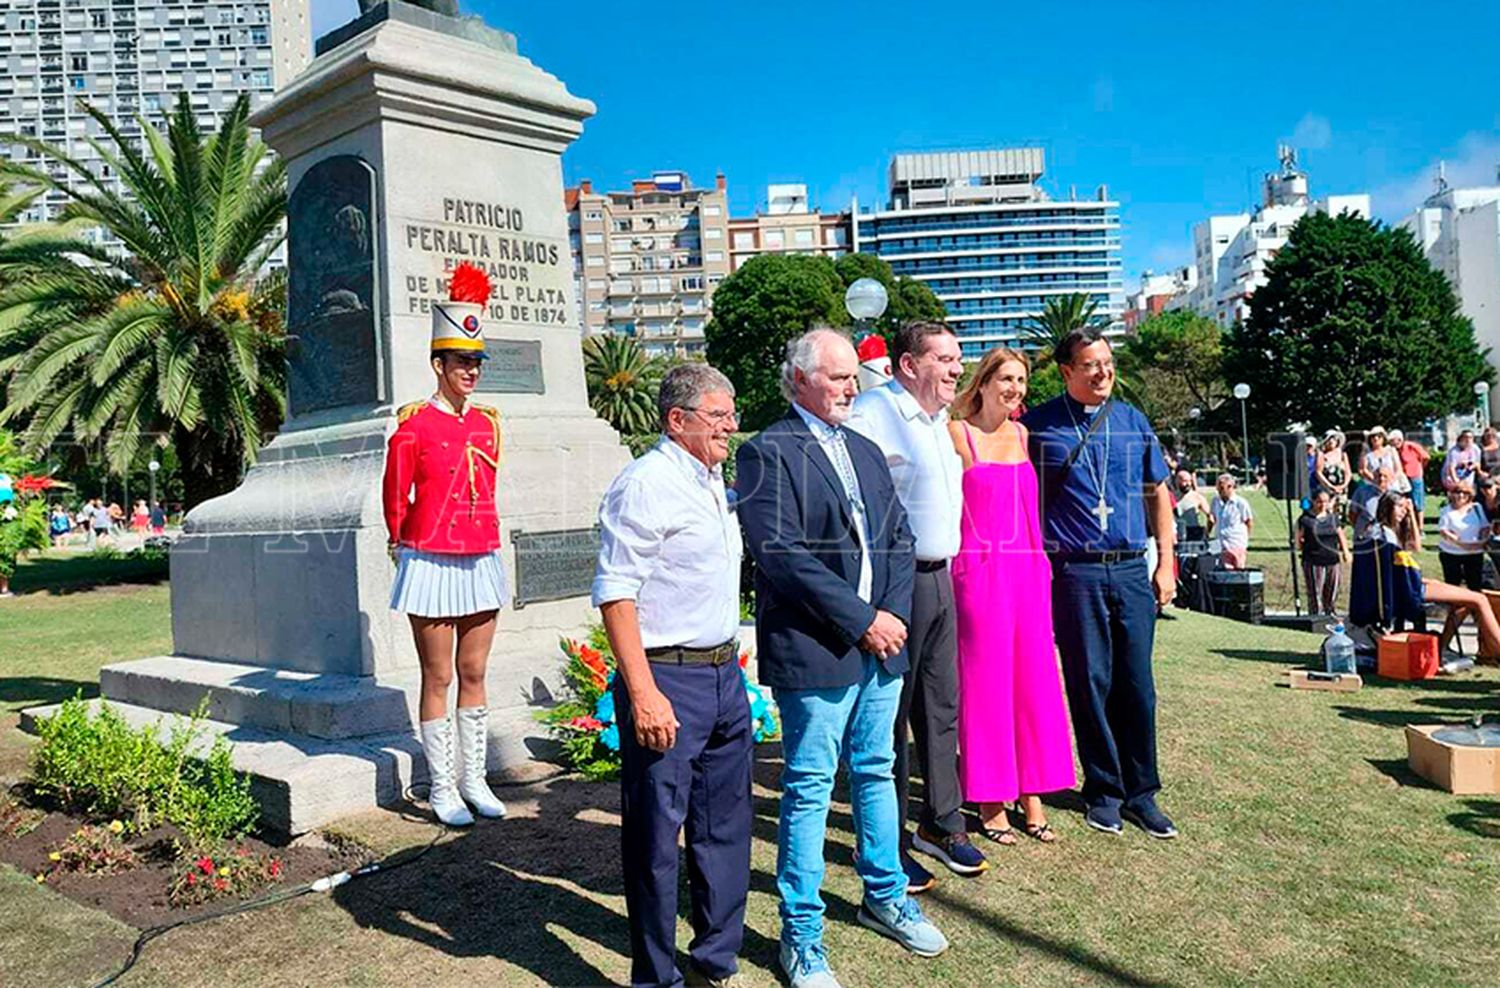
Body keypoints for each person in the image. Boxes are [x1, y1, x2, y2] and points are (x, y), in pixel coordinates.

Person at [737, 328, 948, 988]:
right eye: (836, 378)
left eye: (854, 376)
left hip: (883, 646)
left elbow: (899, 534)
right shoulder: (766, 452)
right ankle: (802, 935)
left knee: (877, 771)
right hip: (818, 649)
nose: (851, 387)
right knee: (808, 787)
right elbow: (780, 555)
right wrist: (863, 622)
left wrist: (893, 618)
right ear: (799, 379)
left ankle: (885, 896)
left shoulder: (863, 447)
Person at [592, 364, 751, 988]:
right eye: (719, 415)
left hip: (722, 678)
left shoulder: (710, 478)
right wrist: (644, 693)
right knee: (659, 844)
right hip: (667, 681)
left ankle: (716, 957)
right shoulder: (645, 484)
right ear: (677, 419)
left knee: (726, 828)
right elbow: (616, 593)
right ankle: (656, 977)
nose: (731, 426)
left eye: (731, 414)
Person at [1021, 326, 1178, 840]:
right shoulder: (1037, 426)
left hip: (1132, 568)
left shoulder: (1133, 420)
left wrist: (1166, 563)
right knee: (1089, 682)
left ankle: (1142, 793)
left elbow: (1158, 495)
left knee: (1137, 684)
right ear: (1066, 371)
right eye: (1089, 364)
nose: (1103, 371)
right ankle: (1104, 791)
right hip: (1075, 572)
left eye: (1107, 361)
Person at [847, 321, 984, 891]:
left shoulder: (937, 422)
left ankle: (941, 821)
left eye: (958, 358)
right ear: (907, 365)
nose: (957, 369)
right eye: (944, 359)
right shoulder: (874, 414)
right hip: (896, 585)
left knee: (941, 706)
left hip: (941, 577)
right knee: (890, 719)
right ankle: (890, 840)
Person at [382, 262, 510, 829]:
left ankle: (475, 779)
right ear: (439, 364)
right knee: (438, 676)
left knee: (476, 671)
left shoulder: (489, 424)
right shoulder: (413, 425)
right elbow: (395, 494)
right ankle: (440, 788)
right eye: (461, 362)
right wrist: (402, 541)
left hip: (480, 553)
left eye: (476, 362)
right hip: (430, 557)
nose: (471, 372)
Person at [945, 346, 1076, 846]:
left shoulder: (1022, 434)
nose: (1016, 389)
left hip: (1026, 574)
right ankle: (990, 799)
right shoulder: (958, 435)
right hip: (978, 575)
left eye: (1021, 381)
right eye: (1006, 379)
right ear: (982, 382)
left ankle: (1033, 793)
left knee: (1034, 683)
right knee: (986, 688)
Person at [1355, 492, 1500, 657]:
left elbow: (1415, 546)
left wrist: (1411, 515)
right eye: (1399, 507)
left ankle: (1440, 648)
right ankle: (1496, 650)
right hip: (1408, 589)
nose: (1403, 511)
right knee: (1479, 599)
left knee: (1464, 601)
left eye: (1405, 507)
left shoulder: (1382, 532)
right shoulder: (1384, 535)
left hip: (1406, 583)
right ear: (1387, 506)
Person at [1296, 489, 1348, 615]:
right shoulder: (1305, 519)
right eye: (1319, 502)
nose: (1322, 505)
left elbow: (1340, 535)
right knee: (1315, 592)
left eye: (1325, 502)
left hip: (1332, 559)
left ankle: (1330, 614)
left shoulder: (1333, 518)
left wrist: (1346, 551)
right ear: (1314, 502)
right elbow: (1298, 540)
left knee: (1332, 590)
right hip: (1313, 560)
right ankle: (1315, 615)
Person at [1437, 482, 1488, 592]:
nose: (1461, 495)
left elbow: (1485, 527)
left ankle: (1473, 608)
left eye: (1465, 493)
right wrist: (1461, 544)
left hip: (1475, 553)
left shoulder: (1477, 508)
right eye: (1457, 492)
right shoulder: (1446, 510)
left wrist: (1481, 541)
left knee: (1474, 585)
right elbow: (1443, 531)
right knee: (1453, 586)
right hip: (1451, 553)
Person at [1205, 473, 1253, 570]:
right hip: (1220, 542)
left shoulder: (1241, 503)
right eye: (1218, 487)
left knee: (1238, 570)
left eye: (1222, 488)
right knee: (1220, 569)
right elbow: (1212, 519)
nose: (1219, 490)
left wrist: (1245, 539)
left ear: (1230, 487)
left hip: (1236, 542)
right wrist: (1207, 534)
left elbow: (1249, 522)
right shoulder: (1215, 501)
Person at [1389, 429, 1430, 543]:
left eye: (1395, 440)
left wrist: (1420, 468)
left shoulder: (1411, 446)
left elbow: (1426, 457)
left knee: (1418, 503)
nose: (1393, 443)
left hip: (1414, 477)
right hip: (1402, 479)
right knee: (1404, 503)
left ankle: (1420, 529)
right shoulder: (1393, 451)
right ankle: (1409, 528)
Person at [1349, 467, 1396, 543]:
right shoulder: (1361, 492)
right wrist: (1361, 529)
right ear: (1373, 476)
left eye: (1385, 476)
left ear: (1391, 478)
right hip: (1365, 536)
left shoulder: (1396, 496)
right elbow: (1352, 514)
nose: (1381, 479)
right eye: (1379, 475)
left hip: (1388, 539)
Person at [1360, 427, 1407, 493]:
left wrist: (1391, 480)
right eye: (1373, 436)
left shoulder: (1391, 450)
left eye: (1379, 436)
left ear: (1383, 438)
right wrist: (1375, 480)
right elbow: (1363, 469)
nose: (1376, 438)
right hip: (1373, 485)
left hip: (1392, 486)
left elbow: (1398, 469)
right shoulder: (1366, 453)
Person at [1315, 430, 1352, 510]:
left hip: (1341, 490)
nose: (1331, 441)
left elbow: (1348, 472)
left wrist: (1343, 485)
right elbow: (1318, 472)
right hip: (1326, 489)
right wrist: (1330, 486)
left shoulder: (1343, 455)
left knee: (1339, 512)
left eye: (1334, 439)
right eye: (1329, 439)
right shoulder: (1321, 455)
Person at [1172, 469, 1209, 542]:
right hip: (1176, 533)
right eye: (1184, 481)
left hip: (1194, 533)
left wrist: (1206, 532)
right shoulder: (1172, 497)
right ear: (1177, 481)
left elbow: (1210, 516)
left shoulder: (1197, 497)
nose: (1188, 484)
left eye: (1190, 481)